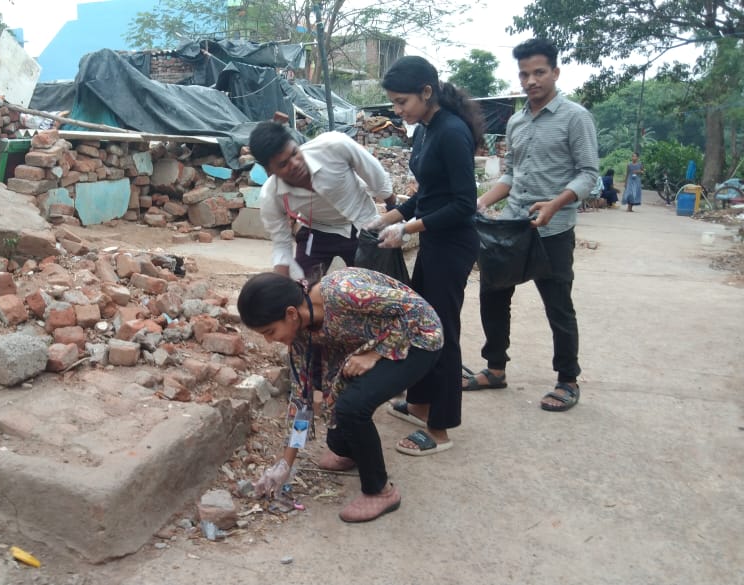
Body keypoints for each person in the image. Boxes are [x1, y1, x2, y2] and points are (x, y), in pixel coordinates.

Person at [239, 268, 442, 523]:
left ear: (291, 313)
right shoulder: (301, 336)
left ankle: (380, 491)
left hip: (418, 339)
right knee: (337, 439)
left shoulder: (341, 291)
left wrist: (375, 354)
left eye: (270, 332)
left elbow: (417, 309)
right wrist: (284, 464)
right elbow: (302, 401)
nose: (270, 341)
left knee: (351, 407)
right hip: (369, 348)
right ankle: (352, 452)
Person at [463, 38, 599, 413]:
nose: (531, 80)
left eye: (539, 72)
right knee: (492, 294)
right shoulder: (517, 121)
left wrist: (556, 204)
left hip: (552, 230)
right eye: (524, 74)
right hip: (512, 226)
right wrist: (482, 201)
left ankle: (567, 379)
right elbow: (511, 175)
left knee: (557, 304)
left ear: (555, 72)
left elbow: (590, 175)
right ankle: (495, 369)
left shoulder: (575, 117)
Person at [367, 55, 483, 455]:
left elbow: (463, 205)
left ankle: (441, 428)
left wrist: (408, 229)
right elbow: (426, 195)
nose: (398, 111)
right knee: (422, 324)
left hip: (453, 244)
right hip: (435, 239)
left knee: (443, 332)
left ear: (426, 92)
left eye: (402, 103)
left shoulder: (451, 132)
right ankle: (419, 402)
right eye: (394, 104)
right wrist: (386, 219)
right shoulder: (425, 130)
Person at [249, 121, 393, 283]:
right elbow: (282, 244)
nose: (295, 164)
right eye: (283, 164)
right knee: (303, 289)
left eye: (294, 153)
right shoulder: (271, 195)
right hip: (317, 230)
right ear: (269, 171)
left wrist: (396, 220)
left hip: (363, 223)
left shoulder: (334, 146)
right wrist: (281, 288)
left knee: (376, 288)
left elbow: (380, 183)